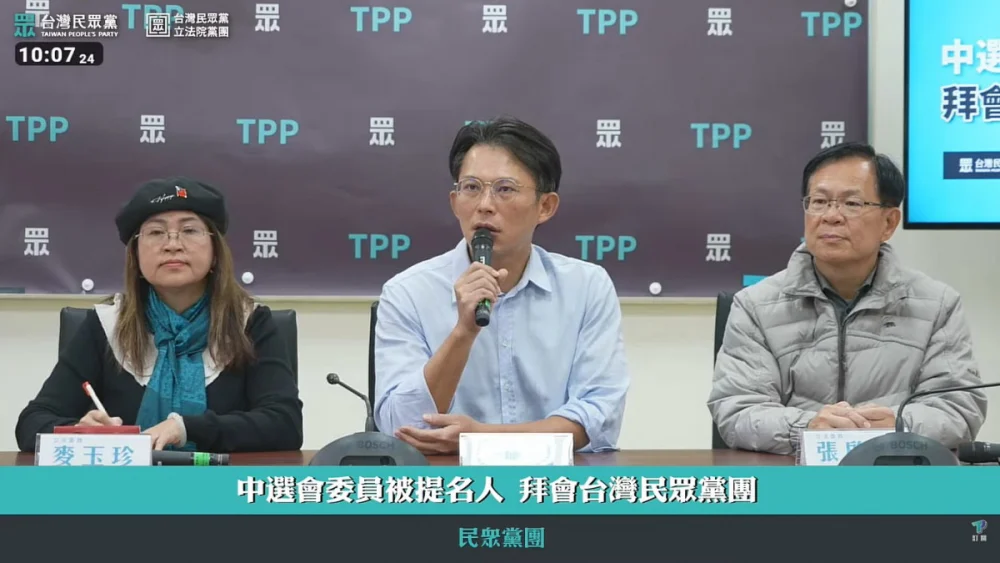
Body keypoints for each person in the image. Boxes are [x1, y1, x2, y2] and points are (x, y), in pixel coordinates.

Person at [708, 142, 987, 455]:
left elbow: (957, 408)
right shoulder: (755, 305)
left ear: (889, 223)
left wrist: (898, 426)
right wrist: (807, 428)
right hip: (795, 477)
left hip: (895, 474)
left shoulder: (937, 305)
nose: (831, 216)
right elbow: (737, 409)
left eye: (851, 204)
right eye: (819, 202)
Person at [373, 116, 630, 455]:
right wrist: (463, 332)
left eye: (505, 189)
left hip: (553, 482)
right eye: (471, 188)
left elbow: (599, 417)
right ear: (454, 203)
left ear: (545, 206)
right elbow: (400, 426)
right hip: (448, 483)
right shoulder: (408, 293)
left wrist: (484, 438)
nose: (484, 205)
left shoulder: (586, 287)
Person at [14, 177, 303, 453]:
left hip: (222, 484)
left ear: (215, 251)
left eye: (189, 231)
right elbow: (32, 422)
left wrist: (186, 428)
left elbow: (285, 423)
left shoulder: (249, 323)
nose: (172, 244)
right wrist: (78, 431)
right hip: (124, 486)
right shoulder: (106, 325)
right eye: (155, 232)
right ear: (136, 256)